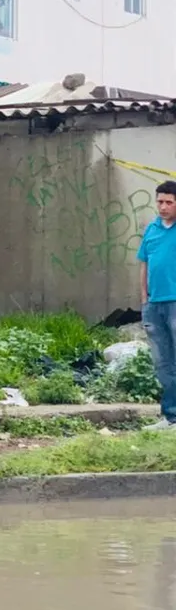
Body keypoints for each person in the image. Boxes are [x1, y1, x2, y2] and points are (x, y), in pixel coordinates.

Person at [137, 180, 176, 430]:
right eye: (160, 201)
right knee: (162, 363)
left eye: (169, 202)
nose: (163, 207)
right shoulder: (151, 229)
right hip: (154, 305)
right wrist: (143, 298)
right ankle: (170, 416)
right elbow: (144, 265)